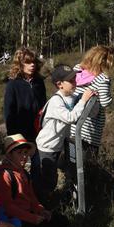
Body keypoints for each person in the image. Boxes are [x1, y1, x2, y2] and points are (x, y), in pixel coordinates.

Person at [0, 134, 69, 227]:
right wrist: (33, 218)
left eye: (25, 153)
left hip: (30, 215)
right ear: (9, 155)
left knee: (62, 221)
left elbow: (32, 198)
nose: (24, 156)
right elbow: (8, 207)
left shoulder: (24, 173)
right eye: (19, 153)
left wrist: (41, 210)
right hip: (17, 220)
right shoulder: (5, 176)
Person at [35, 65, 95, 198]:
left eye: (75, 79)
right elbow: (71, 117)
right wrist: (84, 100)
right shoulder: (56, 101)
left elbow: (75, 99)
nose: (75, 82)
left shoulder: (69, 97)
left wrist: (86, 95)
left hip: (56, 146)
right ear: (59, 84)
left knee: (55, 175)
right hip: (47, 147)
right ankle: (44, 203)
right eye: (71, 81)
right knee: (48, 179)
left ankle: (50, 200)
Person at [3, 48, 46, 187]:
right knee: (17, 167)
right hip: (20, 133)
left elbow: (44, 107)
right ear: (20, 64)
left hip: (38, 132)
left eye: (33, 62)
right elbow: (9, 111)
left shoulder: (39, 82)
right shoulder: (13, 84)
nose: (32, 65)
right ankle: (17, 194)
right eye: (28, 62)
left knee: (38, 166)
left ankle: (37, 195)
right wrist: (13, 137)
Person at [70, 45, 114, 161]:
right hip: (89, 131)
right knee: (88, 165)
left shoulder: (77, 69)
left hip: (71, 125)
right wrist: (111, 97)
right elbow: (105, 102)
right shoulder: (102, 79)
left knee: (72, 160)